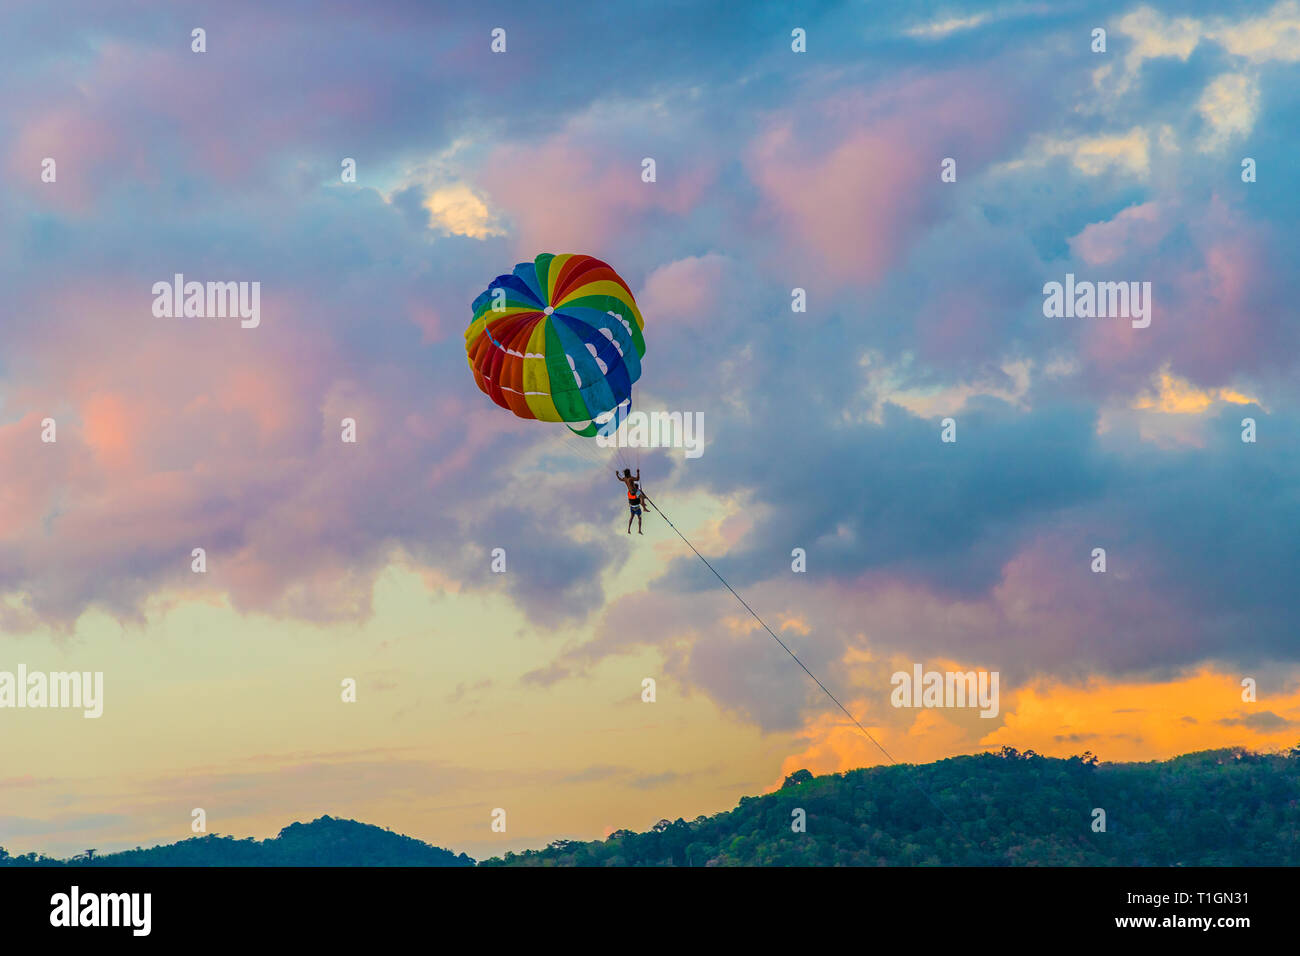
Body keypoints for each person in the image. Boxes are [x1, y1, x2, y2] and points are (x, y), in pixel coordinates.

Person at [617, 468, 644, 534]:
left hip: (631, 492)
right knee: (642, 496)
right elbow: (637, 479)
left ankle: (629, 529)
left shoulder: (625, 479)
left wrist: (617, 475)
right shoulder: (630, 478)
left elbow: (620, 479)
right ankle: (644, 507)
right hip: (634, 491)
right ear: (628, 473)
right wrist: (638, 472)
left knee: (631, 517)